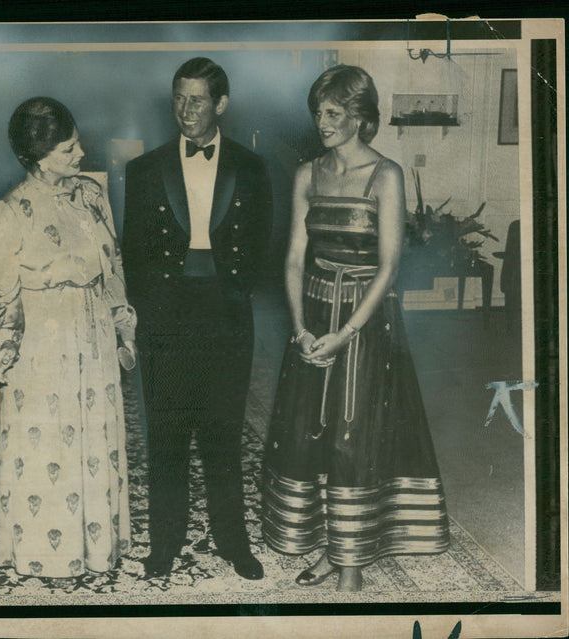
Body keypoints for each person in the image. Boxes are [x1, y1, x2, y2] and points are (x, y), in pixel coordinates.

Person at [262, 65, 450, 592]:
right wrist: (300, 329)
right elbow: (295, 258)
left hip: (365, 323)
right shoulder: (307, 173)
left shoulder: (385, 175)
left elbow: (390, 265)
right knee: (311, 435)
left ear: (360, 118)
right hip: (314, 318)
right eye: (317, 112)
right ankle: (329, 547)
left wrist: (344, 334)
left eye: (333, 113)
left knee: (355, 438)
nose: (321, 122)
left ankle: (352, 564)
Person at [122, 57, 273, 580]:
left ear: (221, 104)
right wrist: (149, 315)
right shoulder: (143, 169)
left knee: (223, 434)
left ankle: (233, 539)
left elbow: (263, 245)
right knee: (166, 435)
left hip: (227, 314)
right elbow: (132, 254)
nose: (185, 110)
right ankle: (165, 542)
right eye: (179, 97)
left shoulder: (251, 168)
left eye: (197, 99)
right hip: (166, 312)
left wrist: (233, 290)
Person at [0, 97, 136, 579]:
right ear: (37, 154)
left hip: (92, 339)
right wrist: (3, 349)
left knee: (94, 439)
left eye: (77, 143)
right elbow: (4, 296)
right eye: (69, 149)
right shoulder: (8, 213)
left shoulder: (92, 194)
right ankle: (43, 552)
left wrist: (122, 327)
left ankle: (95, 547)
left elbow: (113, 266)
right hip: (42, 349)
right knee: (48, 444)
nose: (81, 154)